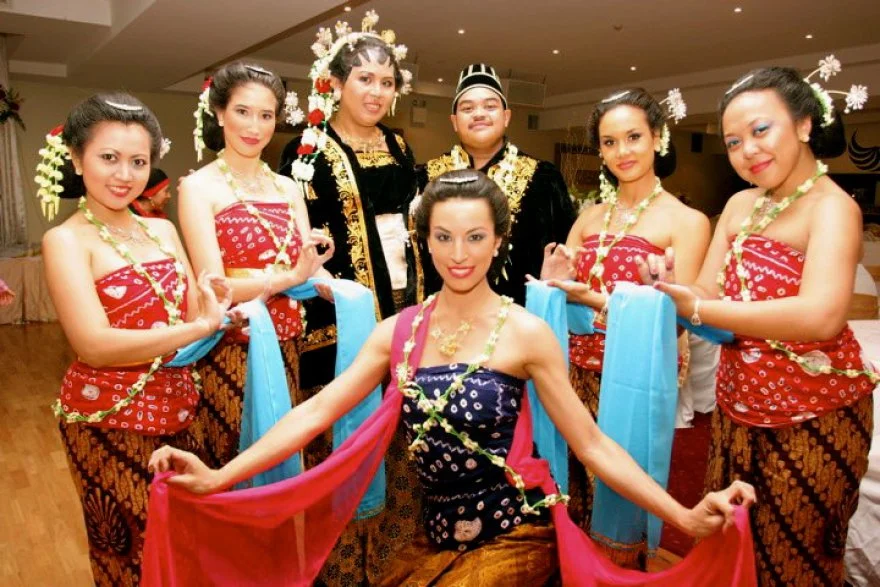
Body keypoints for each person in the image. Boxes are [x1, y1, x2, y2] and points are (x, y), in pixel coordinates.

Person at [148, 170, 756, 586]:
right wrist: (222, 476)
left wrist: (680, 515)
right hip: (433, 533)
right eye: (443, 237)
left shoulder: (525, 333)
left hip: (516, 530)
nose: (458, 253)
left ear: (498, 242)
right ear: (424, 242)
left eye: (474, 237)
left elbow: (592, 445)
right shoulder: (400, 332)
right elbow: (316, 412)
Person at [640, 60, 874, 586]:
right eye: (733, 141)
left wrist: (695, 308)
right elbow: (706, 292)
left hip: (813, 417)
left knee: (797, 560)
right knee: (733, 547)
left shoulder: (833, 209)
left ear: (805, 125)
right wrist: (672, 284)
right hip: (736, 412)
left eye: (761, 130)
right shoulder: (740, 204)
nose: (749, 150)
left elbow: (820, 316)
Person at [37, 93, 233, 586]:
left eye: (138, 161)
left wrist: (217, 310)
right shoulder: (65, 240)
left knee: (188, 543)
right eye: (108, 158)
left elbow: (192, 312)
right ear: (78, 159)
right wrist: (198, 327)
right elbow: (94, 345)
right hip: (108, 420)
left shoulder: (163, 231)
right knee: (131, 555)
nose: (124, 174)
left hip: (183, 410)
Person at [276, 12, 424, 584]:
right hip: (339, 318)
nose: (377, 92)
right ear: (334, 84)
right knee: (341, 443)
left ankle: (390, 561)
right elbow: (299, 237)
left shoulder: (399, 143)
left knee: (399, 442)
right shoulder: (308, 147)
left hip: (403, 303)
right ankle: (336, 565)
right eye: (365, 79)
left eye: (387, 82)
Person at [537, 87, 710, 567]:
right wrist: (554, 282)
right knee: (569, 487)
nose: (622, 152)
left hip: (633, 379)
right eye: (609, 142)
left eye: (634, 137)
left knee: (620, 486)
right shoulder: (589, 217)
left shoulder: (686, 221)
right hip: (572, 372)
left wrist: (597, 299)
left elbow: (680, 319)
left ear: (659, 137)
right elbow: (560, 284)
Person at [181, 60, 333, 472]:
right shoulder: (198, 187)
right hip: (230, 349)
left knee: (283, 455)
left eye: (266, 115)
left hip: (287, 343)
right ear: (219, 113)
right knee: (236, 461)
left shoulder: (287, 187)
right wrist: (290, 278)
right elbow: (215, 287)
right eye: (242, 112)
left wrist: (331, 281)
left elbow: (308, 267)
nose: (254, 126)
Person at [418, 63, 576, 305]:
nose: (479, 114)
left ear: (506, 117)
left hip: (520, 321)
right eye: (467, 108)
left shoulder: (544, 178)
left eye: (490, 106)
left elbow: (567, 252)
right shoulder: (426, 177)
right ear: (454, 121)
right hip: (441, 317)